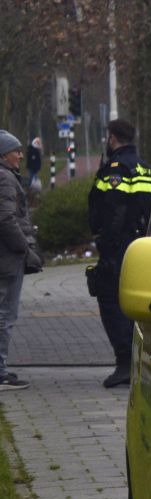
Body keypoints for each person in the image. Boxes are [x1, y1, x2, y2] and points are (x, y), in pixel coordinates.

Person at [88, 119, 151, 387]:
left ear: (113, 138)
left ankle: (124, 363)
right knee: (136, 303)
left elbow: (114, 211)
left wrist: (105, 245)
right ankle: (140, 362)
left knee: (111, 301)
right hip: (146, 246)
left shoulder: (116, 170)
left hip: (120, 247)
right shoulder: (147, 169)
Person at [0, 129, 43, 392]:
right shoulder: (5, 179)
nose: (20, 155)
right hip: (8, 258)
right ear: (4, 154)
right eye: (16, 151)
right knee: (5, 314)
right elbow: (5, 219)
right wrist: (24, 250)